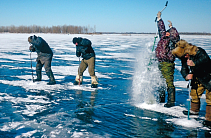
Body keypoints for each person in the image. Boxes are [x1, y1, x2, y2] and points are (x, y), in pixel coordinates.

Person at [172, 39, 211, 128]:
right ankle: (194, 111)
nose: (184, 58)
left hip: (208, 76)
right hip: (197, 77)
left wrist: (194, 63)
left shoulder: (198, 51)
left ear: (187, 51)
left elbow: (206, 60)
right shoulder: (184, 57)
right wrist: (186, 76)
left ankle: (209, 119)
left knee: (210, 98)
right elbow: (184, 69)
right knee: (194, 94)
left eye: (185, 56)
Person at [155, 11, 180, 107]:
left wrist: (171, 27)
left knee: (168, 81)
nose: (166, 34)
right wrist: (159, 19)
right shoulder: (163, 37)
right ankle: (161, 99)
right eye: (166, 33)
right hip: (160, 62)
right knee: (160, 81)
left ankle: (171, 101)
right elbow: (161, 29)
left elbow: (176, 35)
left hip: (167, 63)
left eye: (169, 33)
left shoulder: (173, 40)